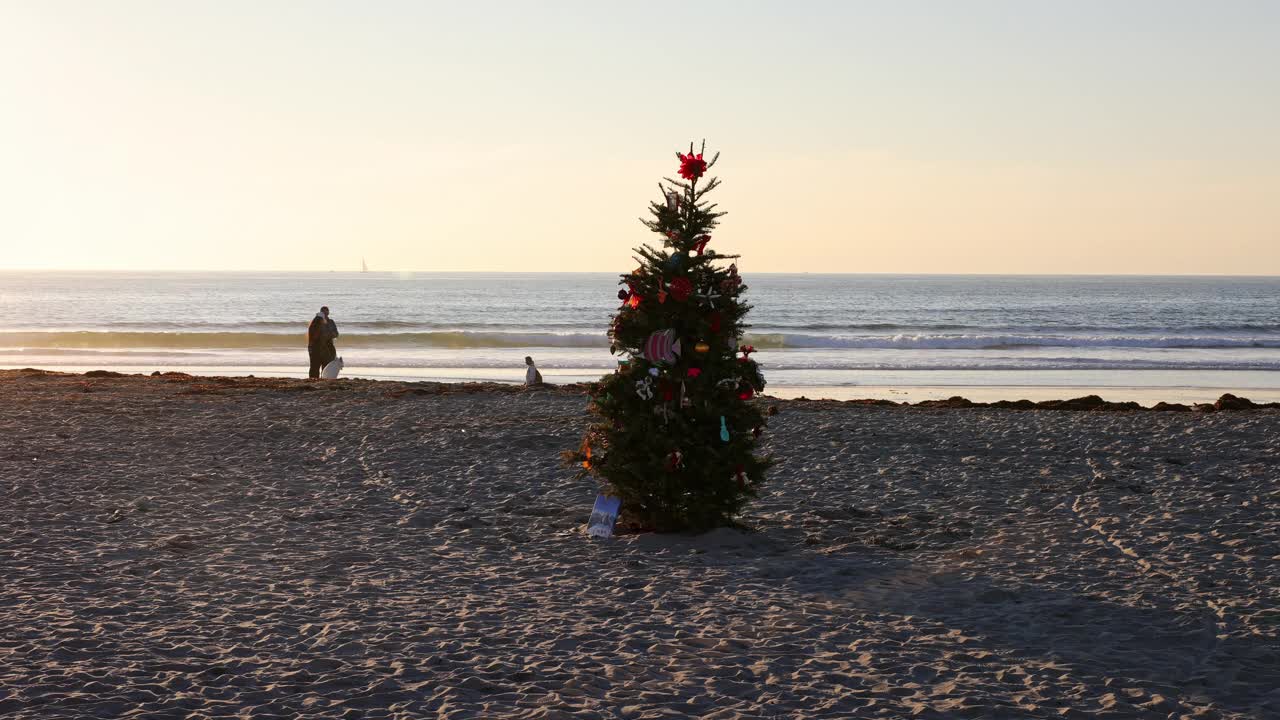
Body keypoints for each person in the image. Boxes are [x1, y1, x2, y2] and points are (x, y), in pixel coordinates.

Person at [307, 306, 340, 379]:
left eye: (326, 312)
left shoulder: (331, 322)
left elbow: (336, 334)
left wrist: (328, 335)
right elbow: (315, 337)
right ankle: (313, 380)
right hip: (316, 348)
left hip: (328, 347)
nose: (325, 314)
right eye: (323, 312)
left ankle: (323, 379)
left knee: (326, 366)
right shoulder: (316, 323)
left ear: (328, 313)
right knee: (315, 367)